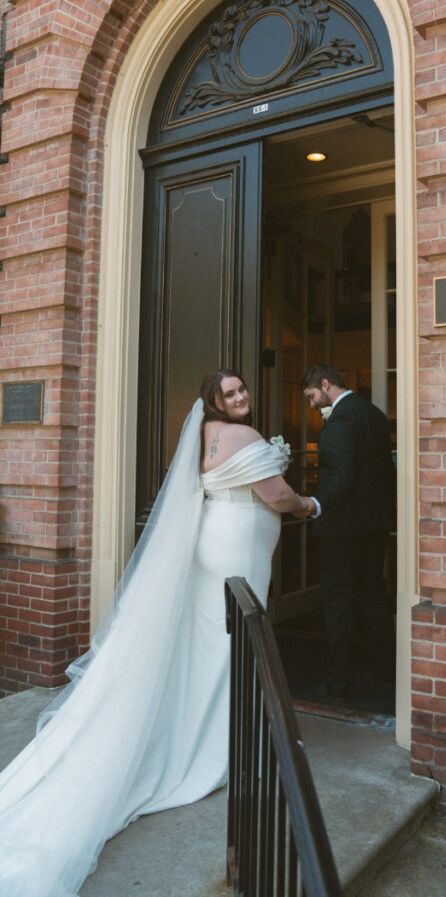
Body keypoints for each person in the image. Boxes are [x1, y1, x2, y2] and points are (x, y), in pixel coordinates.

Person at [0, 369, 314, 897]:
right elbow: (278, 495)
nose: (240, 397)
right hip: (237, 546)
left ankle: (214, 727)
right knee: (233, 639)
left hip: (217, 542)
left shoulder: (202, 436)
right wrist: (312, 506)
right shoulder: (243, 436)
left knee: (215, 640)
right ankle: (216, 744)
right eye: (229, 393)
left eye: (242, 390)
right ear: (213, 402)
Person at [302, 364, 396, 701]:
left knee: (338, 600)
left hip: (342, 528)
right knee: (373, 594)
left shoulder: (341, 419)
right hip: (374, 524)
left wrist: (315, 503)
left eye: (312, 396)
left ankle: (337, 680)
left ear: (325, 384)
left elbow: (341, 474)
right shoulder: (373, 413)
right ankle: (385, 670)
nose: (311, 404)